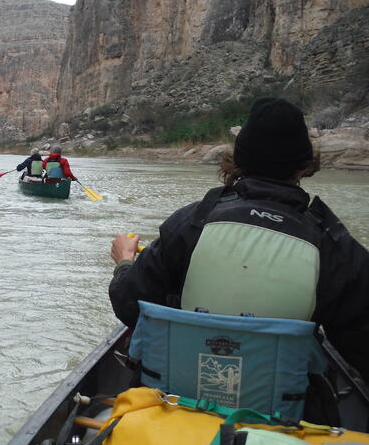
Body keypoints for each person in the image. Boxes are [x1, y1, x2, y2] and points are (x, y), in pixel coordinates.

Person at [108, 97, 369, 381]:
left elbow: (128, 304)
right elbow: (360, 350)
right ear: (305, 165)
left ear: (239, 157)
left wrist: (124, 262)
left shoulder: (191, 222)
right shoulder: (334, 245)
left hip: (177, 397)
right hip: (282, 415)